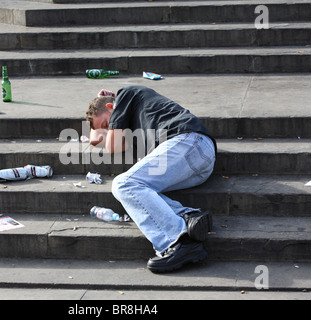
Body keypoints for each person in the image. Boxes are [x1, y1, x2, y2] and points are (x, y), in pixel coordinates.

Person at [85, 86, 217, 273]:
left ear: (110, 106)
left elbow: (111, 146)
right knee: (141, 188)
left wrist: (109, 105)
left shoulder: (126, 94)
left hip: (188, 143)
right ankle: (187, 216)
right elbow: (95, 139)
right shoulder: (135, 120)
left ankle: (177, 241)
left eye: (107, 124)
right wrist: (100, 115)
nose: (109, 130)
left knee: (124, 184)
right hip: (197, 160)